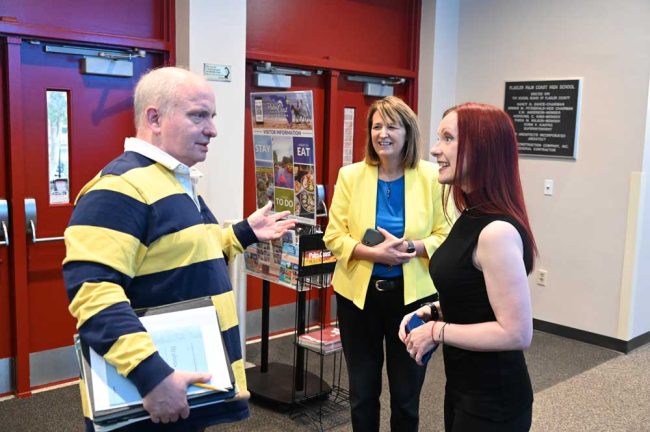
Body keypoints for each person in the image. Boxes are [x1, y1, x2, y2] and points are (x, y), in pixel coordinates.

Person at [62, 66, 295, 432]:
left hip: (179, 389)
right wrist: (152, 375)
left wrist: (244, 232)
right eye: (198, 115)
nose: (212, 129)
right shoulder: (118, 189)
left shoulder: (172, 180)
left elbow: (187, 250)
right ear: (154, 118)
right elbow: (93, 294)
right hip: (149, 398)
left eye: (212, 116)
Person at [400, 102, 537, 431]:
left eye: (448, 139)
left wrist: (436, 331)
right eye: (438, 138)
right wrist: (434, 310)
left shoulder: (496, 232)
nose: (435, 150)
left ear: (482, 150)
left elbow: (517, 332)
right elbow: (476, 297)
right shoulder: (470, 216)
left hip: (494, 400)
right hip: (464, 386)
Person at [323, 96, 450, 431]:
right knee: (362, 395)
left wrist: (410, 246)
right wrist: (375, 254)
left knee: (406, 397)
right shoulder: (350, 176)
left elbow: (446, 235)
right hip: (358, 300)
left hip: (413, 301)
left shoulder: (432, 176)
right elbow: (334, 237)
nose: (383, 133)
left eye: (391, 126)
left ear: (407, 132)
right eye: (377, 126)